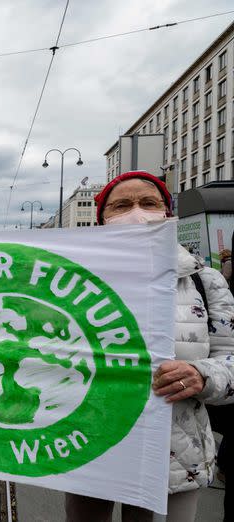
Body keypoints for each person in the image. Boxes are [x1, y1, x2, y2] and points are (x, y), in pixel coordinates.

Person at [64, 171, 234, 522]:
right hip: (91, 444)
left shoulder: (204, 280)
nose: (137, 212)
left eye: (149, 203)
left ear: (168, 214)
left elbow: (231, 358)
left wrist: (201, 375)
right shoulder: (70, 280)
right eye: (121, 205)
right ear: (103, 221)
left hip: (175, 456)